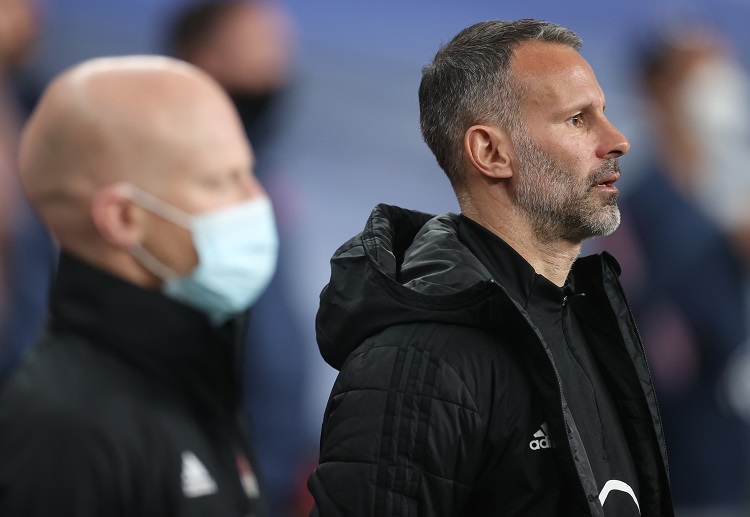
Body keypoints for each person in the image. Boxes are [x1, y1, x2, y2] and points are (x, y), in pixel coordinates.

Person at [307, 19, 674, 516]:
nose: (618, 140)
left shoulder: (586, 321)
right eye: (577, 119)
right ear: (491, 152)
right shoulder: (418, 363)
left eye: (603, 113)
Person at [0, 55, 278, 516]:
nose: (255, 200)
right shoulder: (65, 433)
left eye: (248, 172)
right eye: (221, 181)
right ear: (125, 217)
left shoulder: (192, 378)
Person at [589, 24, 750, 516]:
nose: (720, 82)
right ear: (659, 90)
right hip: (693, 471)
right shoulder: (635, 209)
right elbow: (637, 343)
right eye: (700, 70)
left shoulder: (730, 196)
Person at [168, 3, 314, 515]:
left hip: (275, 463)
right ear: (198, 58)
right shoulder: (168, 178)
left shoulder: (263, 173)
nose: (276, 68)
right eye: (257, 48)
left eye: (281, 50)